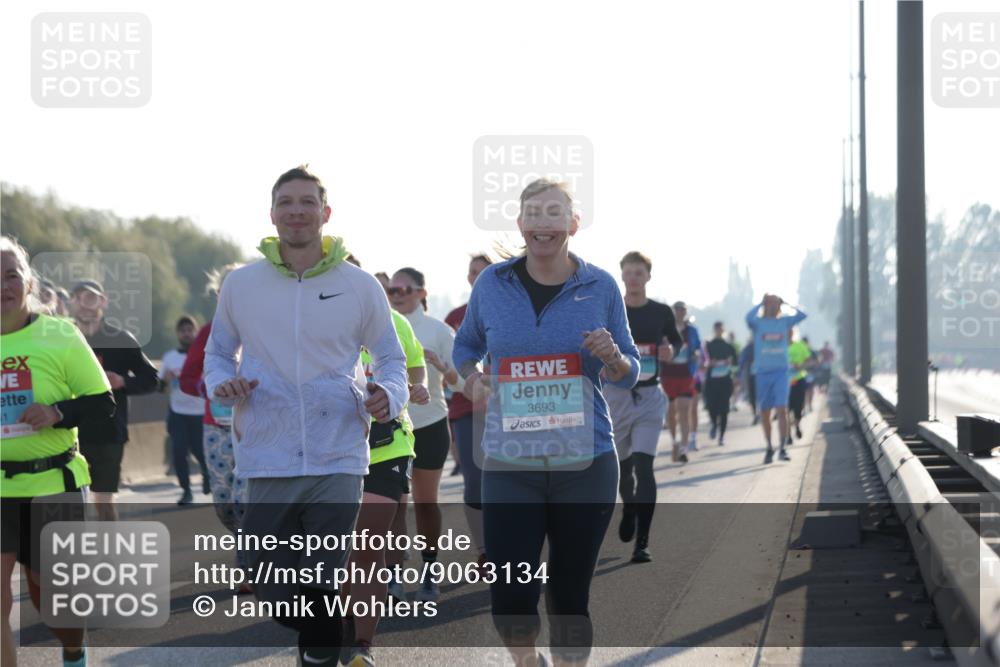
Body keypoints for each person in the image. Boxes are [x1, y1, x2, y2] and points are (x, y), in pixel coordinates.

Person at [203, 165, 409, 665]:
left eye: (307, 202)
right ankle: (333, 630)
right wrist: (221, 385)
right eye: (286, 202)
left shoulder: (359, 285)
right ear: (272, 213)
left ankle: (319, 652)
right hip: (266, 455)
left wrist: (389, 396)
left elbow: (391, 358)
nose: (297, 211)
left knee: (319, 576)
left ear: (325, 212)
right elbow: (217, 354)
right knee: (272, 584)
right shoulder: (241, 285)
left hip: (338, 452)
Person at [453, 179, 640, 666]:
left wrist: (613, 357)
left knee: (568, 597)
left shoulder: (600, 286)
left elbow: (629, 371)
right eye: (533, 214)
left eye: (554, 213)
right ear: (520, 225)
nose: (543, 223)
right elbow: (466, 347)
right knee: (511, 597)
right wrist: (472, 380)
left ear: (573, 224)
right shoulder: (492, 284)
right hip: (511, 463)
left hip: (587, 461)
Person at [2, 235, 116, 667]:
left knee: (51, 599)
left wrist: (56, 412)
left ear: (28, 283)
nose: (2, 286)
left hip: (54, 482)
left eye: (11, 275)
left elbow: (103, 404)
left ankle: (74, 648)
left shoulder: (60, 335)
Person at [340, 254, 429, 666]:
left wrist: (413, 389)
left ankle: (362, 647)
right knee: (333, 550)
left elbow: (414, 369)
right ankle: (338, 630)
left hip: (388, 445)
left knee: (366, 547)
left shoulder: (395, 322)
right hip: (331, 450)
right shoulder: (309, 323)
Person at [387, 267, 463, 602]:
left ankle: (430, 573)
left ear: (421, 292)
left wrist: (441, 367)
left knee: (426, 502)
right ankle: (393, 576)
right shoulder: (380, 326)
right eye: (392, 290)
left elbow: (463, 383)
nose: (397, 295)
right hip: (392, 427)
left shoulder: (439, 331)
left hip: (430, 424)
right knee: (394, 506)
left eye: (405, 289)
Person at [178, 263, 250, 591]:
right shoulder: (208, 332)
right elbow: (187, 378)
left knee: (249, 497)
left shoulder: (267, 328)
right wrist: (208, 388)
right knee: (224, 500)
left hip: (256, 427)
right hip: (216, 426)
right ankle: (247, 546)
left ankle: (251, 563)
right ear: (219, 294)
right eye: (228, 290)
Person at [610, 251, 680, 563]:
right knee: (623, 472)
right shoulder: (612, 310)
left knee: (644, 466)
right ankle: (629, 507)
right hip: (617, 397)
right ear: (622, 275)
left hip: (650, 397)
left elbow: (675, 342)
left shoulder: (661, 312)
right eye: (628, 272)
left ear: (648, 276)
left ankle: (643, 542)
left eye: (639, 272)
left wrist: (669, 350)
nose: (633, 278)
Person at [70, 279, 159, 521]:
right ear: (72, 303)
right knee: (71, 502)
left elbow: (152, 378)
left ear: (103, 301)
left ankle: (108, 552)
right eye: (78, 298)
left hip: (108, 432)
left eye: (90, 297)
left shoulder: (120, 338)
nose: (84, 304)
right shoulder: (64, 337)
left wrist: (122, 382)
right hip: (68, 432)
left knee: (103, 502)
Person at [444, 253, 493, 573]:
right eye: (473, 272)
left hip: (510, 408)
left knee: (510, 481)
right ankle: (484, 549)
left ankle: (516, 544)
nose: (477, 277)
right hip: (465, 409)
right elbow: (450, 365)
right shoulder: (456, 317)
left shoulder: (511, 310)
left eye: (483, 271)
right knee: (475, 482)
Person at [745, 294, 807, 463]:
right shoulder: (758, 323)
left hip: (781, 372)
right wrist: (760, 303)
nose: (772, 306)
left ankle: (782, 448)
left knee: (782, 409)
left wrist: (786, 302)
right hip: (763, 373)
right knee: (765, 412)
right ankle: (769, 447)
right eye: (769, 303)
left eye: (775, 303)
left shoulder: (784, 322)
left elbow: (803, 315)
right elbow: (747, 317)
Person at [160, 315, 209, 505]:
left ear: (196, 332)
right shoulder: (170, 358)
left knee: (201, 451)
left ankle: (207, 473)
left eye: (190, 330)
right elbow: (161, 387)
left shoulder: (204, 355)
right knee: (179, 452)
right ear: (177, 334)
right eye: (183, 330)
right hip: (177, 412)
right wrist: (166, 378)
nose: (186, 334)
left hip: (200, 413)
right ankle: (186, 491)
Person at [659, 301, 701, 462]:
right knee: (671, 412)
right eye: (677, 309)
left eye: (682, 309)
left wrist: (696, 353)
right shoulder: (665, 329)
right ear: (673, 312)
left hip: (686, 373)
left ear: (686, 312)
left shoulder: (692, 330)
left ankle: (683, 448)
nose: (680, 312)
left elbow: (698, 347)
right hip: (668, 373)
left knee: (684, 411)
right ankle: (675, 442)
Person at [703, 321, 738, 446]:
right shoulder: (708, 345)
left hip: (725, 382)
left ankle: (722, 436)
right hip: (712, 382)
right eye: (717, 329)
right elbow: (703, 363)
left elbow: (736, 364)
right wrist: (709, 364)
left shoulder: (729, 346)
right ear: (714, 330)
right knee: (711, 407)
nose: (719, 331)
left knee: (724, 409)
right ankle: (713, 424)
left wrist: (731, 365)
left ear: (723, 330)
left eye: (721, 329)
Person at [787, 331, 814, 443]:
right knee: (786, 409)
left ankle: (797, 426)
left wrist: (800, 366)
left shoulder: (800, 346)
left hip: (798, 380)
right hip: (784, 382)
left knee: (798, 407)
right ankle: (788, 435)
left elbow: (809, 361)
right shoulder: (777, 347)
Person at [738, 337, 758, 424]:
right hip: (750, 376)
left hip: (760, 375)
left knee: (760, 396)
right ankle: (755, 414)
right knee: (752, 396)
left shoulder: (761, 346)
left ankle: (760, 413)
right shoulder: (746, 349)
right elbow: (741, 362)